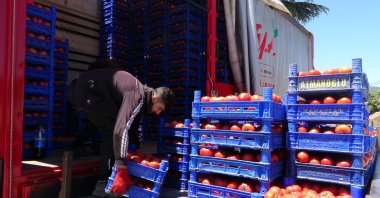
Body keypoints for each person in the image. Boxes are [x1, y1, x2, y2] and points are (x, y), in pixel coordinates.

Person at [69, 59, 175, 196]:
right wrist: (122, 168)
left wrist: (135, 148)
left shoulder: (141, 94)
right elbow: (121, 130)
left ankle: (77, 146)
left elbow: (133, 122)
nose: (158, 112)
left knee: (106, 121)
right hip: (85, 92)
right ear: (155, 98)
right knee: (110, 131)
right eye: (160, 108)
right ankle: (102, 183)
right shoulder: (137, 95)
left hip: (87, 92)